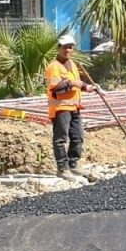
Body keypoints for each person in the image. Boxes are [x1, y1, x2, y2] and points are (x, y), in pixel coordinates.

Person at [45, 33, 97, 180]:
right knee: (61, 139)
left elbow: (77, 82)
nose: (68, 50)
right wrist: (72, 83)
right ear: (59, 48)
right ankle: (62, 169)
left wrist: (87, 87)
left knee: (78, 137)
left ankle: (73, 164)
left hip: (75, 107)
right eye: (65, 47)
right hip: (61, 108)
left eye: (70, 47)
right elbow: (55, 87)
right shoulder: (54, 67)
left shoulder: (72, 64)